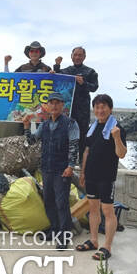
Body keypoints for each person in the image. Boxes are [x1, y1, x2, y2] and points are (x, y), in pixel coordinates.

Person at [23, 92, 79, 250]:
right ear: (47, 106)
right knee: (48, 201)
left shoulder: (70, 124)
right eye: (51, 103)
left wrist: (71, 166)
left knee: (62, 203)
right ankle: (54, 230)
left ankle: (64, 236)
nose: (54, 106)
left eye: (57, 103)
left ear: (63, 105)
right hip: (46, 169)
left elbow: (74, 146)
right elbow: (32, 141)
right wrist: (26, 126)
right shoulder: (45, 125)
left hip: (62, 170)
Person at [76, 94, 127, 260]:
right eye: (97, 107)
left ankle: (107, 247)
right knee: (93, 209)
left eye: (103, 107)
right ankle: (93, 241)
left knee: (108, 211)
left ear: (110, 109)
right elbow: (87, 151)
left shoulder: (117, 128)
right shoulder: (93, 127)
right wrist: (83, 172)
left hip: (106, 177)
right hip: (91, 175)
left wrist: (117, 137)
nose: (100, 110)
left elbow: (122, 154)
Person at [53, 47, 98, 162]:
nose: (77, 57)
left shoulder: (90, 72)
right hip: (67, 108)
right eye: (75, 55)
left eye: (80, 55)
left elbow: (94, 87)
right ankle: (65, 160)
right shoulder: (67, 71)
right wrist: (56, 66)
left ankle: (82, 162)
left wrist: (84, 83)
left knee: (82, 135)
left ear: (84, 57)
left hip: (82, 109)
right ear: (71, 56)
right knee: (64, 133)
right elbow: (56, 76)